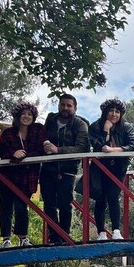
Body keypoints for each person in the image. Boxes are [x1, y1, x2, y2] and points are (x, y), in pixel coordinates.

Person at [41, 93, 89, 244]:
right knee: (48, 204)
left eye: (69, 105)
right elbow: (41, 137)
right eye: (63, 105)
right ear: (58, 106)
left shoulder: (80, 124)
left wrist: (58, 150)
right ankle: (54, 236)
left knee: (65, 204)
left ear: (75, 108)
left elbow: (81, 148)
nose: (65, 108)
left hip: (67, 170)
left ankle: (64, 236)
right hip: (48, 169)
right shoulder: (51, 120)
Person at [88, 98, 134, 240]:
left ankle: (116, 230)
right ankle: (101, 233)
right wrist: (106, 130)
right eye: (111, 111)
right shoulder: (95, 127)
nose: (114, 114)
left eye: (117, 111)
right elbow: (99, 147)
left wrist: (114, 150)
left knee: (113, 196)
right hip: (100, 167)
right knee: (100, 198)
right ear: (105, 112)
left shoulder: (126, 127)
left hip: (118, 167)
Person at [0, 102, 46, 248]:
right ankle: (5, 239)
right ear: (17, 116)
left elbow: (40, 149)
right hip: (8, 176)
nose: (26, 116)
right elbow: (2, 153)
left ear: (33, 117)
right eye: (23, 114)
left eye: (29, 114)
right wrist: (13, 153)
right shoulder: (8, 133)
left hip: (27, 177)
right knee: (6, 207)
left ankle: (23, 238)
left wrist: (22, 156)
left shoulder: (37, 131)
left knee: (21, 207)